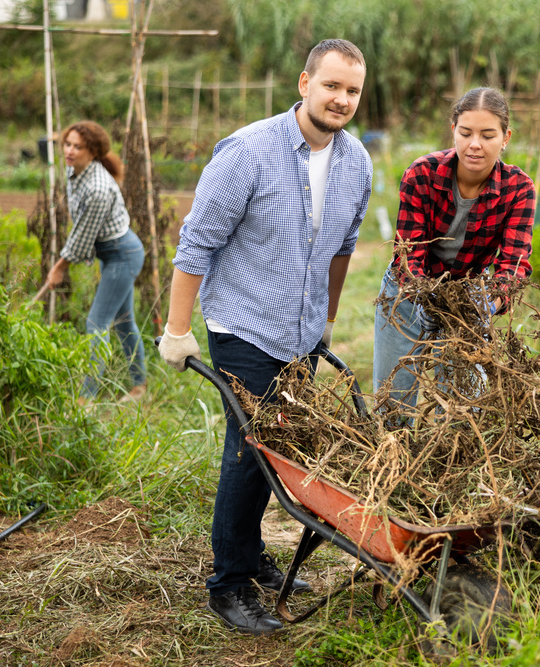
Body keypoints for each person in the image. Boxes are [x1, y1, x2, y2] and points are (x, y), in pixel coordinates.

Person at [157, 39, 371, 636]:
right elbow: (196, 244)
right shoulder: (247, 153)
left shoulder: (357, 162)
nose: (342, 99)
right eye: (331, 85)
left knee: (280, 454)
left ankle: (251, 556)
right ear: (304, 82)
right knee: (251, 454)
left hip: (300, 330)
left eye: (352, 90)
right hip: (245, 327)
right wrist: (177, 330)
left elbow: (343, 248)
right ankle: (229, 584)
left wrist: (325, 321)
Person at [372, 87, 535, 411]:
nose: (475, 144)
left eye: (488, 135)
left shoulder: (519, 189)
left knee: (464, 409)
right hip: (407, 293)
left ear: (506, 137)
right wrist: (425, 293)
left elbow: (514, 264)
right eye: (466, 133)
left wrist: (491, 302)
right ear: (453, 132)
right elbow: (409, 255)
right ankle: (395, 457)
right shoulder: (422, 174)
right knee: (393, 403)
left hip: (469, 297)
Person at [46, 120, 147, 403]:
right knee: (124, 322)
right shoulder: (74, 171)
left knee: (96, 324)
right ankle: (140, 386)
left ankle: (85, 400)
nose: (70, 151)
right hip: (113, 254)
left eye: (78, 147)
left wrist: (58, 268)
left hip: (122, 255)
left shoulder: (99, 189)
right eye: (68, 144)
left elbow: (82, 237)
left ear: (93, 152)